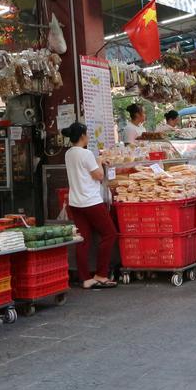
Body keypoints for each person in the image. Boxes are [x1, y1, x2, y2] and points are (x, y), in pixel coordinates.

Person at [62, 122, 117, 289]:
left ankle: (85, 278)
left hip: (75, 202)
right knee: (109, 234)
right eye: (86, 134)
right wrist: (99, 160)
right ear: (82, 136)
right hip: (91, 201)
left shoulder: (68, 153)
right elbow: (99, 175)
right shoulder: (85, 154)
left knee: (83, 240)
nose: (88, 137)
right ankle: (101, 274)